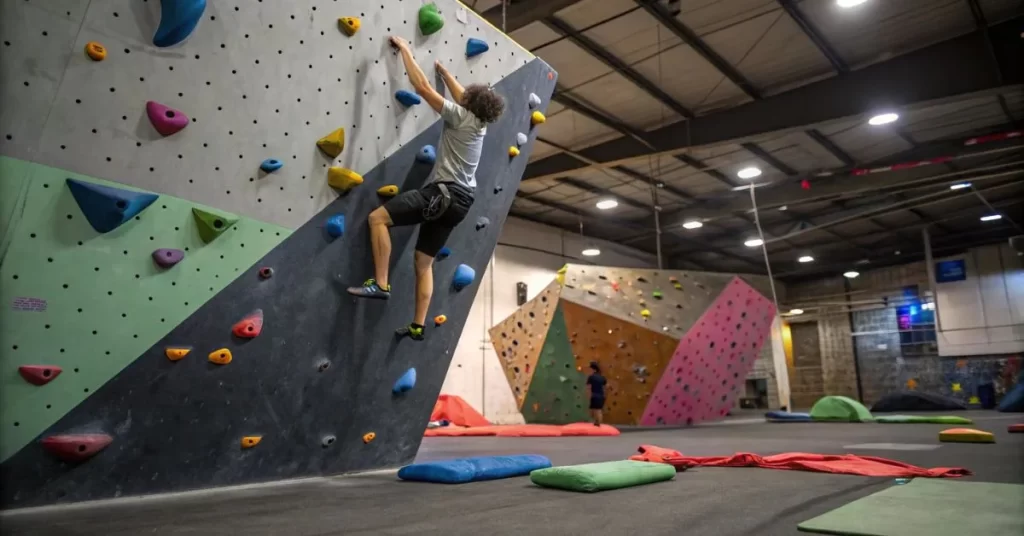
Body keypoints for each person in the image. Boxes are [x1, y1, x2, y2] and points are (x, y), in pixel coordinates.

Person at [347, 35, 505, 341]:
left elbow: (422, 88)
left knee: (378, 218)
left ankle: (380, 284)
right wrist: (447, 74)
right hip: (462, 202)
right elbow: (463, 98)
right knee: (424, 262)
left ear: (469, 104)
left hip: (443, 194)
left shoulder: (460, 117)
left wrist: (406, 49)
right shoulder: (480, 124)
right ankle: (418, 325)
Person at [586, 361, 606, 427]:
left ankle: (597, 423)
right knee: (598, 410)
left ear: (593, 369)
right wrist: (604, 396)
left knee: (594, 410)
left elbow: (589, 388)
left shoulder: (591, 377)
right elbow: (604, 388)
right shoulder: (602, 378)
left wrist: (588, 396)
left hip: (594, 395)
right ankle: (598, 423)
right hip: (601, 396)